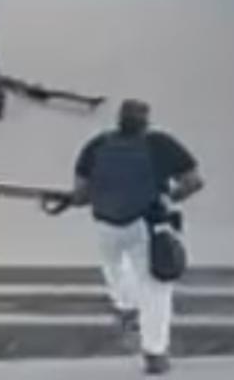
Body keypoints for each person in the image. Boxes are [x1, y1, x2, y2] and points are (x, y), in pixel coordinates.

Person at [66, 99, 205, 375]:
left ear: (119, 119)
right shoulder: (160, 144)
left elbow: (81, 192)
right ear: (146, 121)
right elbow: (193, 181)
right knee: (156, 287)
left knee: (116, 270)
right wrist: (172, 197)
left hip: (107, 224)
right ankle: (155, 352)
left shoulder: (97, 145)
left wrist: (81, 199)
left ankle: (127, 307)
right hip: (149, 224)